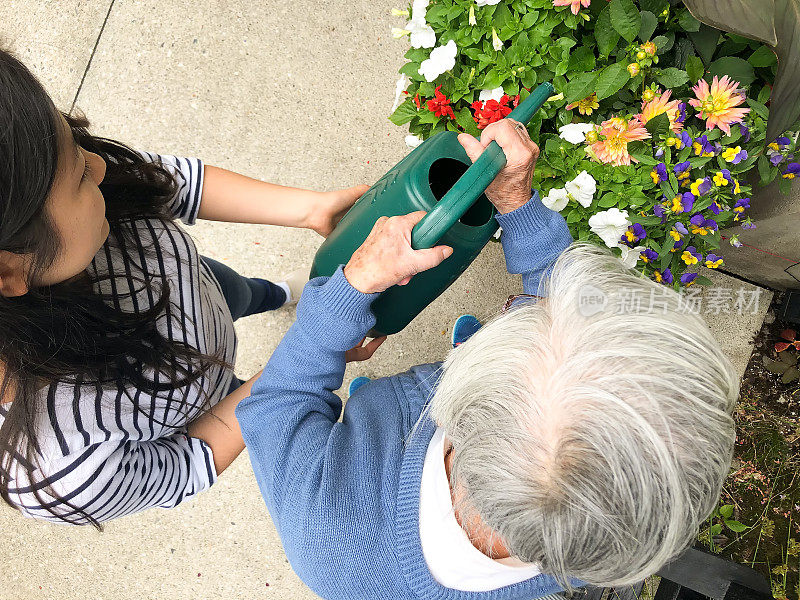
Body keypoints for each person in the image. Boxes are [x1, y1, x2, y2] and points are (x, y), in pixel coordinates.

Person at [235, 118, 739, 599]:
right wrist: (517, 204)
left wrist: (351, 290)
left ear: (452, 407)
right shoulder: (605, 536)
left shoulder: (325, 536)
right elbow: (570, 313)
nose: (542, 300)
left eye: (518, 314)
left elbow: (277, 401)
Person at [0, 48, 380, 526]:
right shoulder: (53, 465)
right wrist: (301, 361)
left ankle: (280, 293)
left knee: (244, 291)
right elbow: (186, 461)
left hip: (202, 287)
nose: (98, 166)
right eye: (79, 177)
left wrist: (309, 210)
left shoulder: (41, 165)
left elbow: (174, 183)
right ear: (10, 272)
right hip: (204, 402)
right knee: (271, 397)